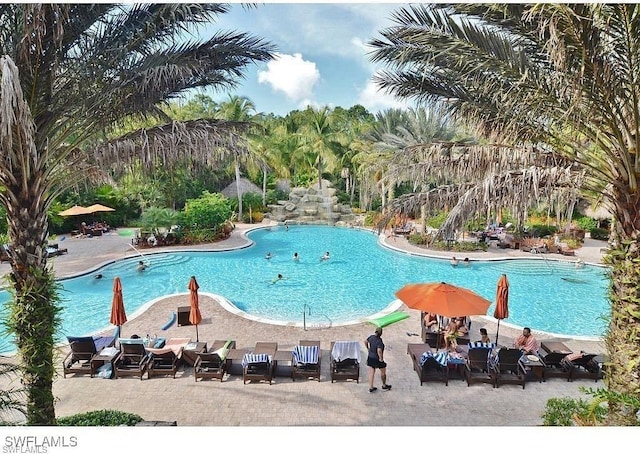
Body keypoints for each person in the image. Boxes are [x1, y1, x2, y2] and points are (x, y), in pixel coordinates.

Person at [365, 327, 391, 393]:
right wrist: (381, 359)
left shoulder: (371, 337)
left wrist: (368, 348)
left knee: (371, 373)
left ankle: (371, 387)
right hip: (377, 359)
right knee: (383, 371)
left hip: (370, 357)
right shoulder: (379, 341)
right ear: (381, 333)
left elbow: (365, 341)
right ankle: (384, 385)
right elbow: (379, 350)